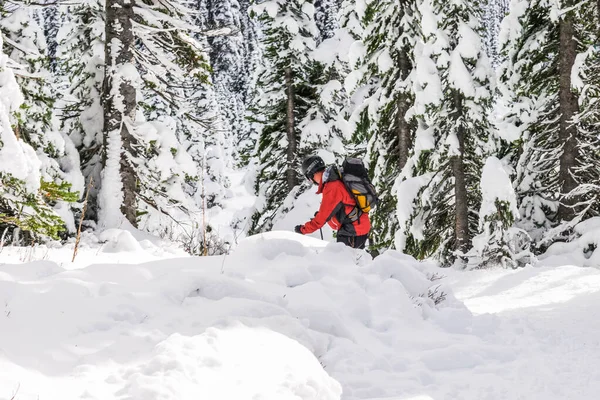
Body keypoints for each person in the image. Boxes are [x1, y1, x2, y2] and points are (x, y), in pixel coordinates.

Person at [294, 155, 371, 249]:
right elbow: (339, 211)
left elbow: (321, 220)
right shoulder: (333, 182)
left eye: (309, 179)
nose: (312, 182)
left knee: (344, 262)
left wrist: (303, 230)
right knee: (353, 261)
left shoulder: (332, 187)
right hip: (355, 229)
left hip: (352, 231)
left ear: (312, 174)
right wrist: (324, 216)